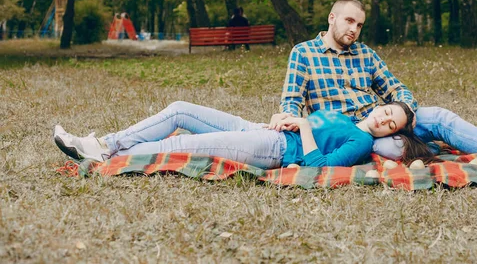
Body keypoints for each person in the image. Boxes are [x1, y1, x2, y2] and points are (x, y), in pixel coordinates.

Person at [268, 0, 477, 166]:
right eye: (349, 21)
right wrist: (287, 118)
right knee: (394, 150)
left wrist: (402, 114)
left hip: (384, 120)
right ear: (332, 17)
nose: (354, 29)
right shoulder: (304, 52)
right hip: (348, 134)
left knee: (437, 116)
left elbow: (397, 89)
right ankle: (420, 150)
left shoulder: (365, 54)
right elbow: (292, 100)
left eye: (359, 24)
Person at [53, 100, 431, 169]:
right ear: (378, 107)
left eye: (392, 123)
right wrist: (286, 117)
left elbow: (321, 167)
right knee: (181, 109)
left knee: (181, 144)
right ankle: (106, 144)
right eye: (386, 111)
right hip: (262, 129)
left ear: (393, 132)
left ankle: (106, 153)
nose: (384, 120)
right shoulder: (345, 117)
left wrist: (301, 128)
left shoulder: (363, 142)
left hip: (274, 150)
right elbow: (302, 122)